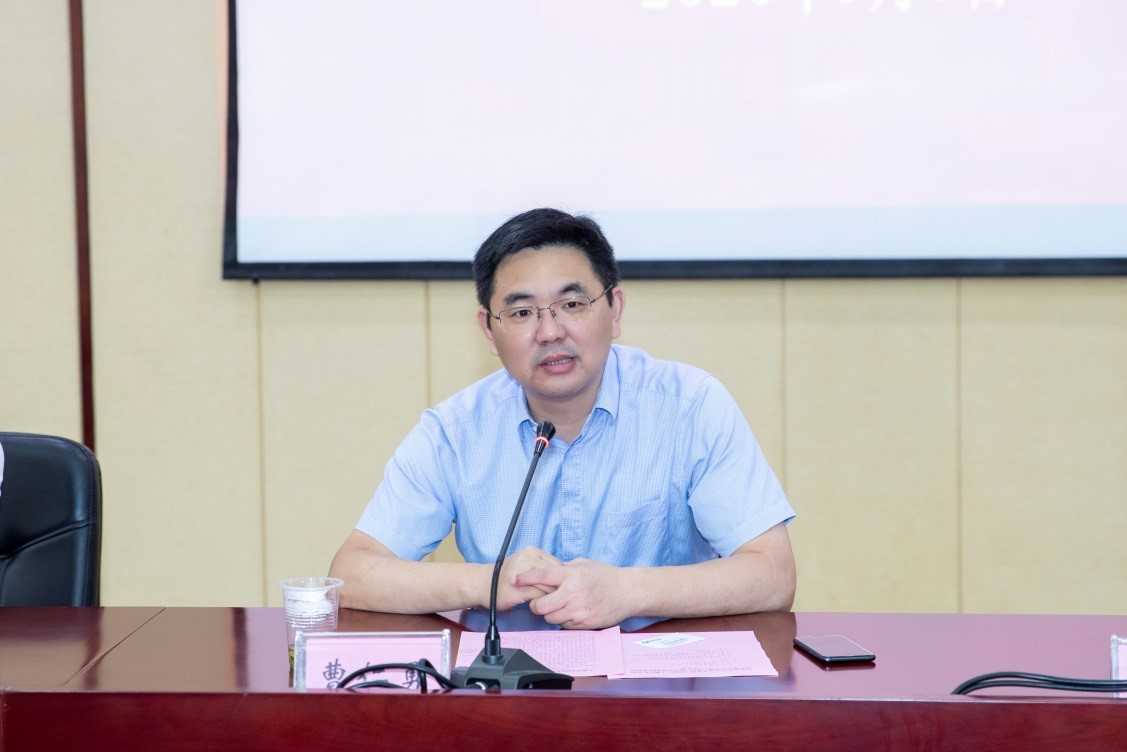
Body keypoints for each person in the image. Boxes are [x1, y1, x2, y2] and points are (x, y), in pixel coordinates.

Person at [329, 208, 795, 629]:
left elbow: (772, 575)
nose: (550, 332)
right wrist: (488, 581)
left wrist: (628, 591)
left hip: (661, 683)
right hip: (508, 686)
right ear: (489, 330)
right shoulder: (456, 431)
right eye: (522, 312)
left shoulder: (689, 407)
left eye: (572, 305)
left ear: (615, 310)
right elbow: (352, 574)